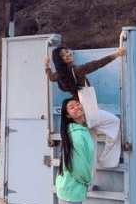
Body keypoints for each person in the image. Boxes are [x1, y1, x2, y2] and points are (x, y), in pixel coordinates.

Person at [43, 45, 125, 177]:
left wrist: (46, 65)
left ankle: (89, 181)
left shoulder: (60, 75)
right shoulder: (77, 70)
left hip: (80, 114)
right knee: (115, 123)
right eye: (63, 56)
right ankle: (107, 160)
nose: (67, 55)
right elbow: (96, 64)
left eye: (66, 52)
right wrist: (116, 54)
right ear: (60, 61)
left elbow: (51, 77)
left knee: (90, 147)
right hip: (87, 110)